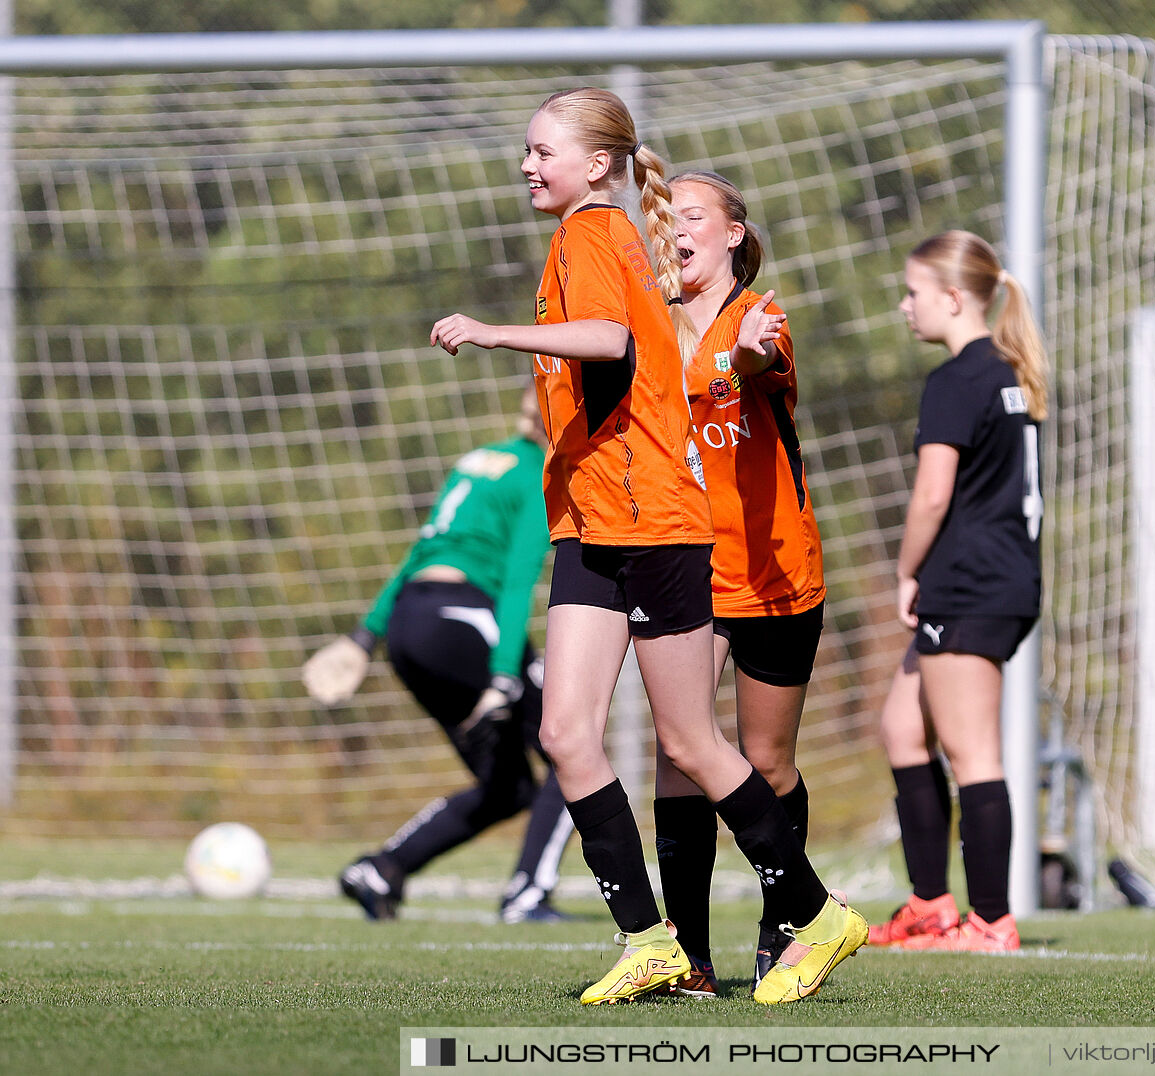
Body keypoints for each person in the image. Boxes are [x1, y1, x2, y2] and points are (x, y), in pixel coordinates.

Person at [427, 87, 864, 1006]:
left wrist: (493, 330)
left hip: (653, 522)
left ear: (596, 164)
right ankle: (650, 940)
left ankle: (815, 914)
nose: (526, 164)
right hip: (591, 522)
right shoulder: (581, 237)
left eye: (543, 150)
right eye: (526, 149)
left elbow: (610, 337)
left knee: (692, 744)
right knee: (565, 731)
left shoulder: (594, 230)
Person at [646, 169, 828, 997]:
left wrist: (750, 356)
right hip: (691, 568)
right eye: (667, 217)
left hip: (776, 571)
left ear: (731, 235)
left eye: (694, 216)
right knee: (680, 754)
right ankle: (686, 958)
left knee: (766, 760)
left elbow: (759, 361)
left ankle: (788, 928)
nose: (678, 229)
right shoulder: (644, 327)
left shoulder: (758, 318)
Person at [302, 388, 572, 925]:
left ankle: (383, 869)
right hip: (466, 619)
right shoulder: (538, 473)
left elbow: (419, 554)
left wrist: (366, 634)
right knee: (574, 747)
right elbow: (516, 584)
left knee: (509, 787)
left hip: (410, 624)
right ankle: (527, 896)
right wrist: (502, 675)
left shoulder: (478, 461)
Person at [869, 229, 1048, 953]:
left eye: (913, 293)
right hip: (1000, 580)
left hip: (969, 583)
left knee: (973, 754)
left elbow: (932, 496)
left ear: (951, 297)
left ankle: (991, 921)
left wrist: (907, 570)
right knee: (901, 727)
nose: (905, 307)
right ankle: (930, 905)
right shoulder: (1008, 370)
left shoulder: (957, 379)